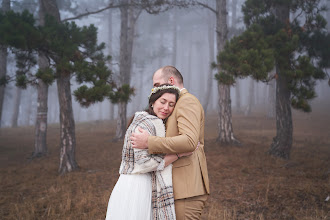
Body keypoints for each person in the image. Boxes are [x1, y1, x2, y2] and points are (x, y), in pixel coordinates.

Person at [131, 66, 210, 220]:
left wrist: (149, 142)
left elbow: (189, 141)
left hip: (187, 189)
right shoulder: (176, 103)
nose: (154, 89)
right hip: (178, 188)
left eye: (157, 84)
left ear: (171, 81)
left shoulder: (187, 101)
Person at [105, 83, 192, 220]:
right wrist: (178, 154)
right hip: (137, 186)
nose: (166, 108)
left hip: (136, 182)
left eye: (171, 104)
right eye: (162, 102)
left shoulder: (151, 121)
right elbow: (145, 164)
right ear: (152, 102)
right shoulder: (145, 123)